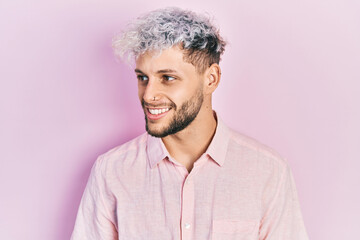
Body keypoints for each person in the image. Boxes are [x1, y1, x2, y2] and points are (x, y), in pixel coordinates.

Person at [71, 6, 309, 240]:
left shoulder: (267, 171)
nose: (148, 95)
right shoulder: (112, 171)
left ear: (211, 79)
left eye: (168, 78)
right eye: (143, 78)